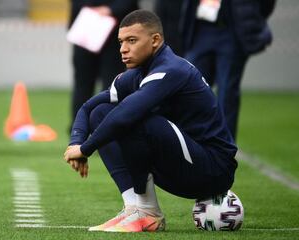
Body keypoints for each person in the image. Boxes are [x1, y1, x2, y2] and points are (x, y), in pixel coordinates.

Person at [64, 10, 237, 232]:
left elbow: (127, 114)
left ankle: (148, 213)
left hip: (213, 170)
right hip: (181, 164)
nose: (123, 49)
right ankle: (134, 208)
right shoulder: (138, 73)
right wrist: (75, 143)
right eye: (120, 42)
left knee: (134, 119)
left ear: (155, 40)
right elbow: (89, 108)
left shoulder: (171, 69)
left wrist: (86, 149)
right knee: (102, 112)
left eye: (132, 41)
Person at [181, 0, 276, 140]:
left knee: (227, 93)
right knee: (187, 88)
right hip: (200, 29)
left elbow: (266, 5)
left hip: (231, 30)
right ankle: (187, 143)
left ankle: (224, 151)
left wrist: (250, 19)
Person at [69, 0, 138, 129]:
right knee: (83, 84)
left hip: (115, 35)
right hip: (86, 29)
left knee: (112, 84)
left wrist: (109, 10)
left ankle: (106, 125)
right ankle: (78, 128)